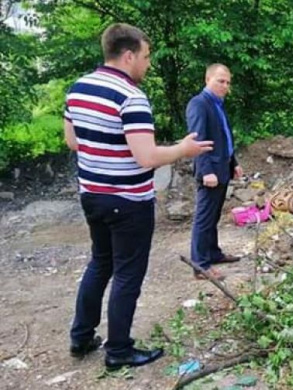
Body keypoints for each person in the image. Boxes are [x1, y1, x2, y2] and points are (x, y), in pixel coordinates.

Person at [64, 23, 213, 370]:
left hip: (92, 195)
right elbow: (146, 157)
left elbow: (73, 141)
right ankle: (119, 351)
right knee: (128, 273)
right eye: (145, 57)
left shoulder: (79, 88)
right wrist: (183, 149)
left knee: (100, 262)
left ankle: (81, 337)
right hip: (128, 201)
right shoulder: (131, 97)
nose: (147, 64)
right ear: (128, 55)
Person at [187, 64, 243, 281]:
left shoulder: (218, 105)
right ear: (207, 79)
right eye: (220, 81)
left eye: (228, 82)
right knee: (204, 218)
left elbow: (224, 138)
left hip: (222, 168)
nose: (225, 86)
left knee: (213, 216)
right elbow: (197, 139)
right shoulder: (199, 104)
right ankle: (200, 265)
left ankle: (212, 253)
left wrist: (233, 162)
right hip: (210, 172)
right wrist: (206, 171)